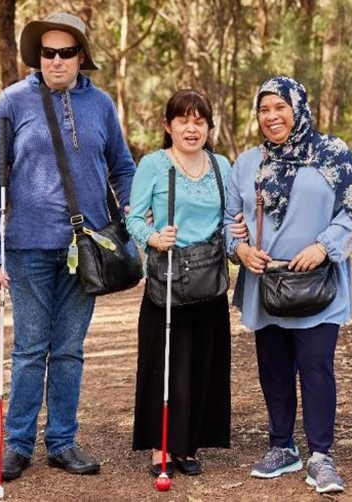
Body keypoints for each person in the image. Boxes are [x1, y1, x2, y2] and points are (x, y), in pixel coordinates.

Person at [0, 12, 137, 482]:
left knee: (68, 349)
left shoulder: (101, 105)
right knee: (29, 349)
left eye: (67, 52)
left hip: (86, 248)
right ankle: (17, 446)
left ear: (81, 57)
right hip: (27, 247)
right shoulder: (13, 103)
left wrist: (131, 218)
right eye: (48, 52)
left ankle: (62, 441)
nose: (57, 60)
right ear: (38, 56)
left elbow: (122, 168)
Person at [224, 76, 352, 494]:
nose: (272, 117)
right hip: (266, 282)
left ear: (298, 109)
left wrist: (324, 247)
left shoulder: (332, 154)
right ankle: (281, 446)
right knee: (273, 367)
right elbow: (229, 218)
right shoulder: (248, 162)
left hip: (317, 282)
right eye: (264, 110)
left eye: (279, 108)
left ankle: (321, 455)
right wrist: (240, 249)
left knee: (316, 366)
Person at [126, 89, 232, 478]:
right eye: (183, 120)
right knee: (166, 364)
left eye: (199, 121)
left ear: (208, 126)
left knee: (203, 361)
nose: (192, 128)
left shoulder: (221, 165)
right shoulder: (154, 164)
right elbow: (133, 218)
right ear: (167, 126)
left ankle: (188, 446)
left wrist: (234, 229)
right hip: (168, 278)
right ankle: (161, 447)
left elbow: (228, 218)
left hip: (209, 278)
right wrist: (153, 237)